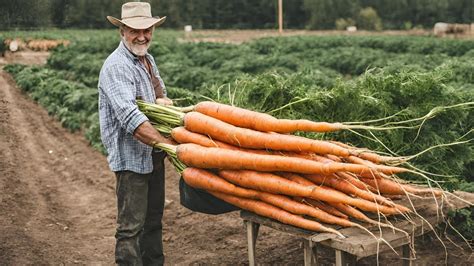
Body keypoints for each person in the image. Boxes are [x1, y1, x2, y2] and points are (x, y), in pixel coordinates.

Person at [98, 2, 172, 265]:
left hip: (153, 155)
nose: (142, 36)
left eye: (147, 29)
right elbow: (132, 119)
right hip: (131, 160)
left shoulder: (147, 59)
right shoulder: (117, 66)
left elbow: (159, 92)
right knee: (130, 229)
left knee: (153, 223)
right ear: (122, 31)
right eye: (134, 30)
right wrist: (170, 146)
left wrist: (164, 103)